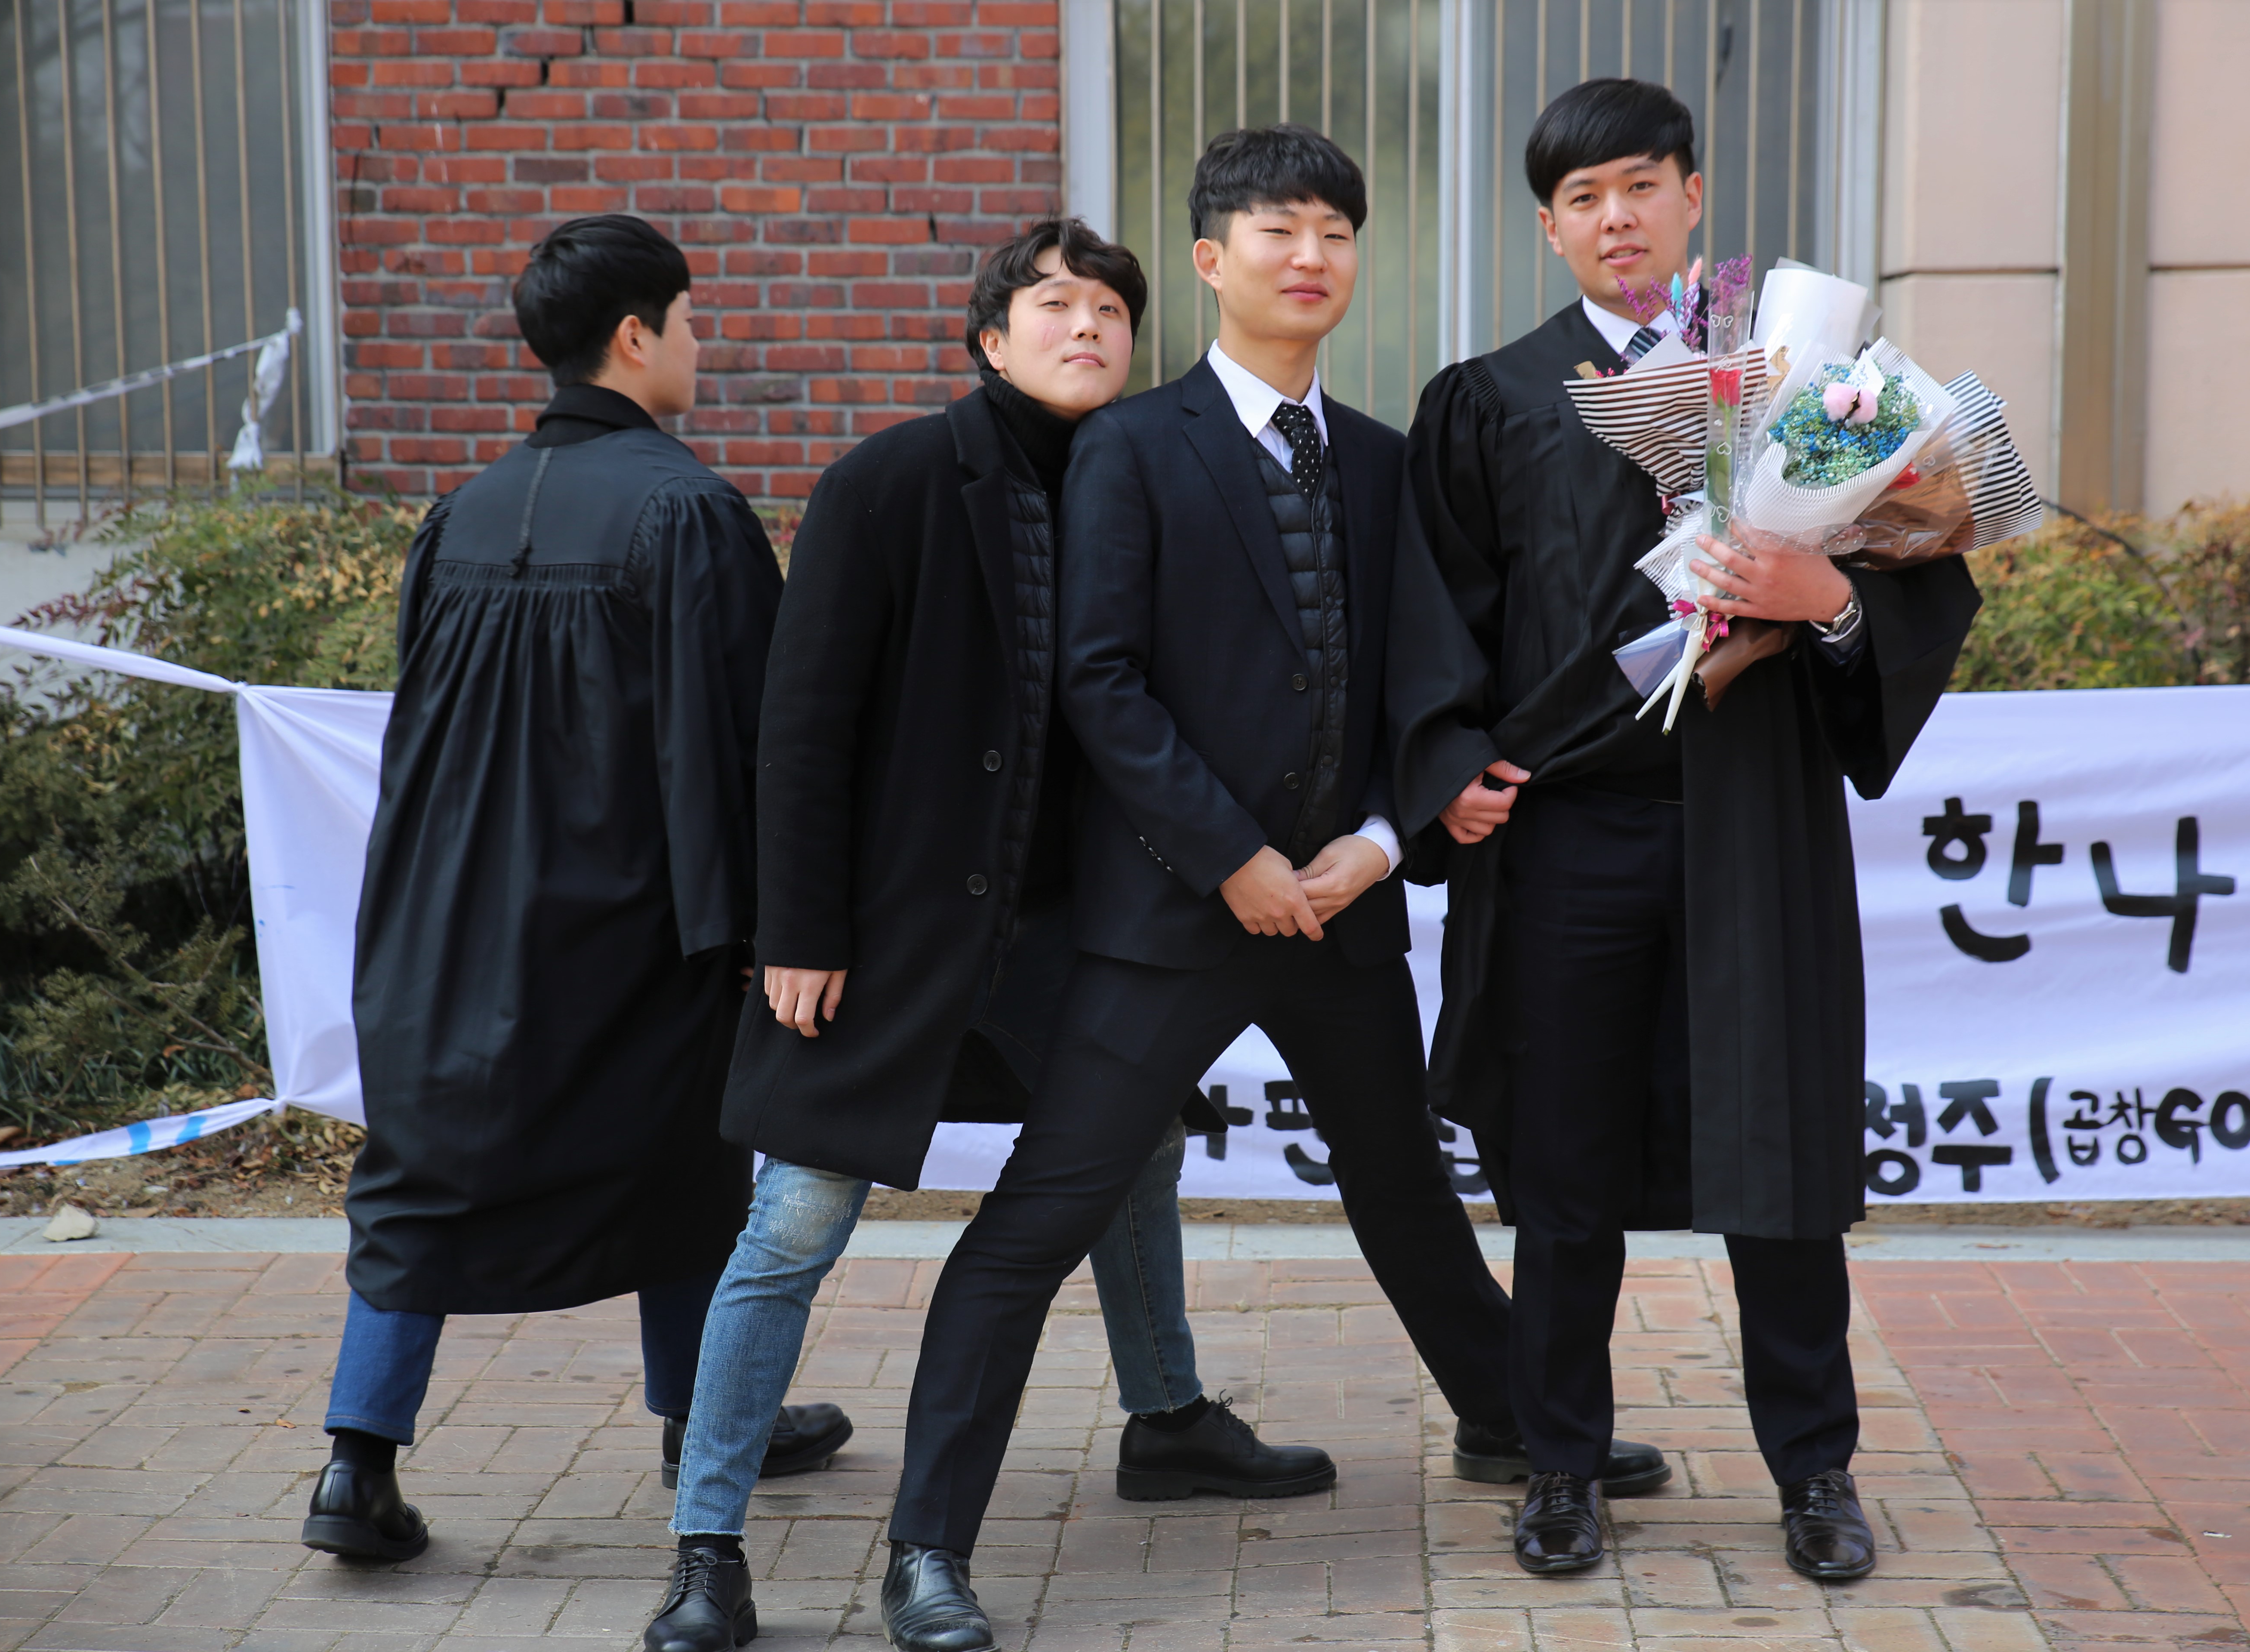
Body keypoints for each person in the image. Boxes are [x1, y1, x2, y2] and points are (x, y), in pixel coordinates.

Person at [877, 127, 1668, 1652]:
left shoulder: (1379, 456)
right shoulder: (1131, 446)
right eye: (1278, 230)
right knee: (1038, 1219)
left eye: (1336, 233)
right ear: (1211, 259)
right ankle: (927, 1549)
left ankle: (1512, 1421)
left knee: (1406, 1193)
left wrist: (1382, 838)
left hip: (1342, 909)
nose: (1312, 257)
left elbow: (1425, 682)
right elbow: (1100, 683)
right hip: (1173, 919)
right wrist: (1231, 857)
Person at [639, 219, 1335, 1652]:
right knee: (797, 1218)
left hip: (1073, 936)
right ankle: (707, 1549)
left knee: (1137, 1156)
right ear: (990, 338)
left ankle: (1168, 1418)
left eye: (1110, 311)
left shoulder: (1150, 477)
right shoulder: (890, 483)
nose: (1086, 328)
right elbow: (802, 725)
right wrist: (799, 927)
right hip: (880, 937)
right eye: (1054, 305)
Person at [1389, 79, 1981, 1581]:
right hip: (1569, 835)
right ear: (1549, 227)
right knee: (1563, 1166)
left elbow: (1912, 578)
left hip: (1751, 828)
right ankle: (1560, 1463)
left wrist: (1825, 598)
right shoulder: (1493, 399)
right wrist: (1446, 765)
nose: (1618, 219)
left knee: (1780, 1161)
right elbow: (1435, 621)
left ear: (1693, 199)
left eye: (1642, 187)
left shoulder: (1805, 387)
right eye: (1584, 199)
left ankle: (1815, 1471)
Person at [305, 215, 822, 1562]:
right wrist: (752, 926)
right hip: (626, 914)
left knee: (419, 1173)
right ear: (636, 336)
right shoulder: (688, 511)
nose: (701, 344)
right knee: (692, 1159)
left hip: (447, 914)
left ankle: (357, 1465)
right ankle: (707, 1422)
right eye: (690, 319)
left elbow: (419, 740)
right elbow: (742, 745)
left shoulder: (462, 514)